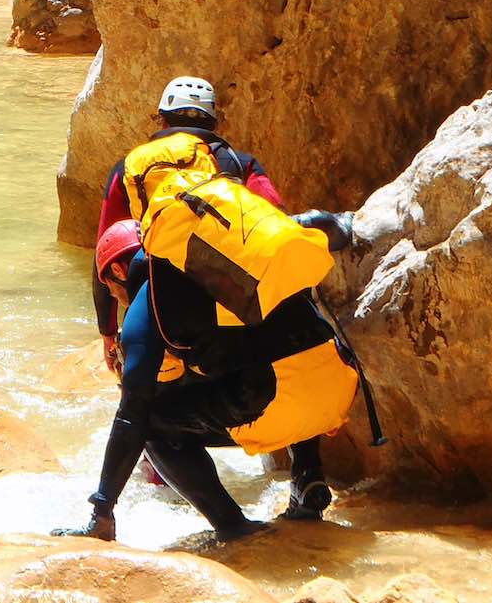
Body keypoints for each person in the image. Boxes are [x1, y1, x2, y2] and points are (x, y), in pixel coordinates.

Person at [57, 76, 365, 542]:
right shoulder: (238, 165)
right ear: (214, 123)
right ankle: (306, 476)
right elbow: (275, 218)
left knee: (151, 420)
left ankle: (234, 527)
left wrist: (109, 328)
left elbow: (109, 242)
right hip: (338, 385)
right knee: (278, 339)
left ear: (160, 120)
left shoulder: (153, 262)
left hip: (269, 396)